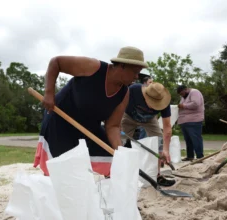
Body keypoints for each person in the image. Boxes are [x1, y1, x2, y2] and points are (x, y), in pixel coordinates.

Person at [33, 46, 148, 177]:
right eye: (135, 71)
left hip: (89, 128)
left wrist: (120, 152)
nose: (137, 76)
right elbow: (56, 62)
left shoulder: (124, 94)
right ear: (122, 65)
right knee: (59, 168)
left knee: (112, 160)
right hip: (60, 120)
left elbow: (113, 126)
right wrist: (49, 93)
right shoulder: (93, 67)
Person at [121, 82, 175, 186]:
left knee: (159, 142)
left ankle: (157, 175)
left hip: (149, 120)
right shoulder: (133, 90)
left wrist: (165, 150)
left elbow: (167, 127)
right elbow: (118, 105)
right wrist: (115, 125)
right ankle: (116, 172)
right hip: (128, 117)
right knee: (119, 143)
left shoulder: (164, 100)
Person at [176, 85, 205, 161]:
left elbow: (195, 104)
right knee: (188, 139)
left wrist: (183, 106)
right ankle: (190, 156)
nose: (181, 95)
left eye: (182, 93)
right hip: (184, 121)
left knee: (195, 138)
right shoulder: (183, 96)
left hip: (194, 120)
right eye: (180, 94)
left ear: (186, 89)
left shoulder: (194, 92)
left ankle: (200, 156)